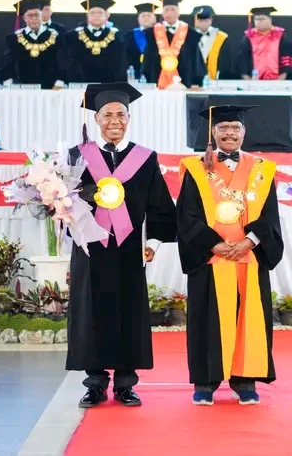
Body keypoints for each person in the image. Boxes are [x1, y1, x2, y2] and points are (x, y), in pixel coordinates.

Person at [66, 82, 177, 408]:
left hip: (130, 248)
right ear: (96, 118)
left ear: (129, 118)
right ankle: (95, 383)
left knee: (129, 312)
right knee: (91, 312)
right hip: (91, 247)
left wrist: (153, 243)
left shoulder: (145, 158)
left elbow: (159, 205)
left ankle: (126, 384)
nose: (114, 121)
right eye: (107, 115)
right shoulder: (77, 156)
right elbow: (66, 202)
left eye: (121, 114)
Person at [176, 104, 283, 406]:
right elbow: (187, 214)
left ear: (244, 132)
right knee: (206, 319)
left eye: (235, 128)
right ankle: (206, 382)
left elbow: (270, 215)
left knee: (248, 317)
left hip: (249, 257)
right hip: (210, 259)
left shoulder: (262, 169)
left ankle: (245, 380)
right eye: (223, 128)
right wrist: (213, 244)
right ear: (213, 132)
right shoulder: (196, 168)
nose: (229, 133)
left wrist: (250, 241)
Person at [141, 0, 206, 89]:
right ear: (162, 13)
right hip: (157, 83)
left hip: (184, 83)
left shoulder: (190, 34)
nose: (169, 13)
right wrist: (146, 78)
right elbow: (148, 59)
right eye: (166, 10)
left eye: (173, 10)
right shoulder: (152, 33)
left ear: (179, 12)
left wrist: (196, 81)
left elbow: (196, 60)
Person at [57, 0, 127, 84]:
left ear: (106, 15)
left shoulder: (117, 37)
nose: (96, 15)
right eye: (93, 13)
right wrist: (61, 81)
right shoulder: (72, 37)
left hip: (108, 85)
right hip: (79, 85)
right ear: (87, 16)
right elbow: (65, 61)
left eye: (100, 13)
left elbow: (121, 64)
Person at [0, 0, 62, 89]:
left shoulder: (56, 37)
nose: (34, 18)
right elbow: (8, 64)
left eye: (37, 15)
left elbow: (62, 61)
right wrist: (8, 83)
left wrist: (59, 83)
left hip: (50, 89)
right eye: (30, 15)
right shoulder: (13, 39)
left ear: (42, 16)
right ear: (24, 18)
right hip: (21, 88)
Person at [235, 7, 292, 80]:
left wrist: (281, 78)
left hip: (278, 80)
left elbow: (286, 57)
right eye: (256, 19)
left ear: (270, 20)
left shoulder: (280, 35)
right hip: (254, 80)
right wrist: (248, 79)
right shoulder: (249, 36)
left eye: (262, 19)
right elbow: (242, 59)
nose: (258, 22)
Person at [192, 5, 235, 80]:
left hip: (215, 79)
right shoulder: (190, 36)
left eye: (206, 21)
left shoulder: (221, 37)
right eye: (200, 21)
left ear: (211, 21)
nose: (203, 23)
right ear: (196, 21)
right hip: (194, 79)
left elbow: (225, 62)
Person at [125, 2, 158, 75]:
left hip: (155, 72)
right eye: (143, 16)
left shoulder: (161, 34)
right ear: (138, 19)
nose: (146, 18)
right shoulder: (130, 35)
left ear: (155, 18)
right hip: (135, 72)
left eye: (149, 15)